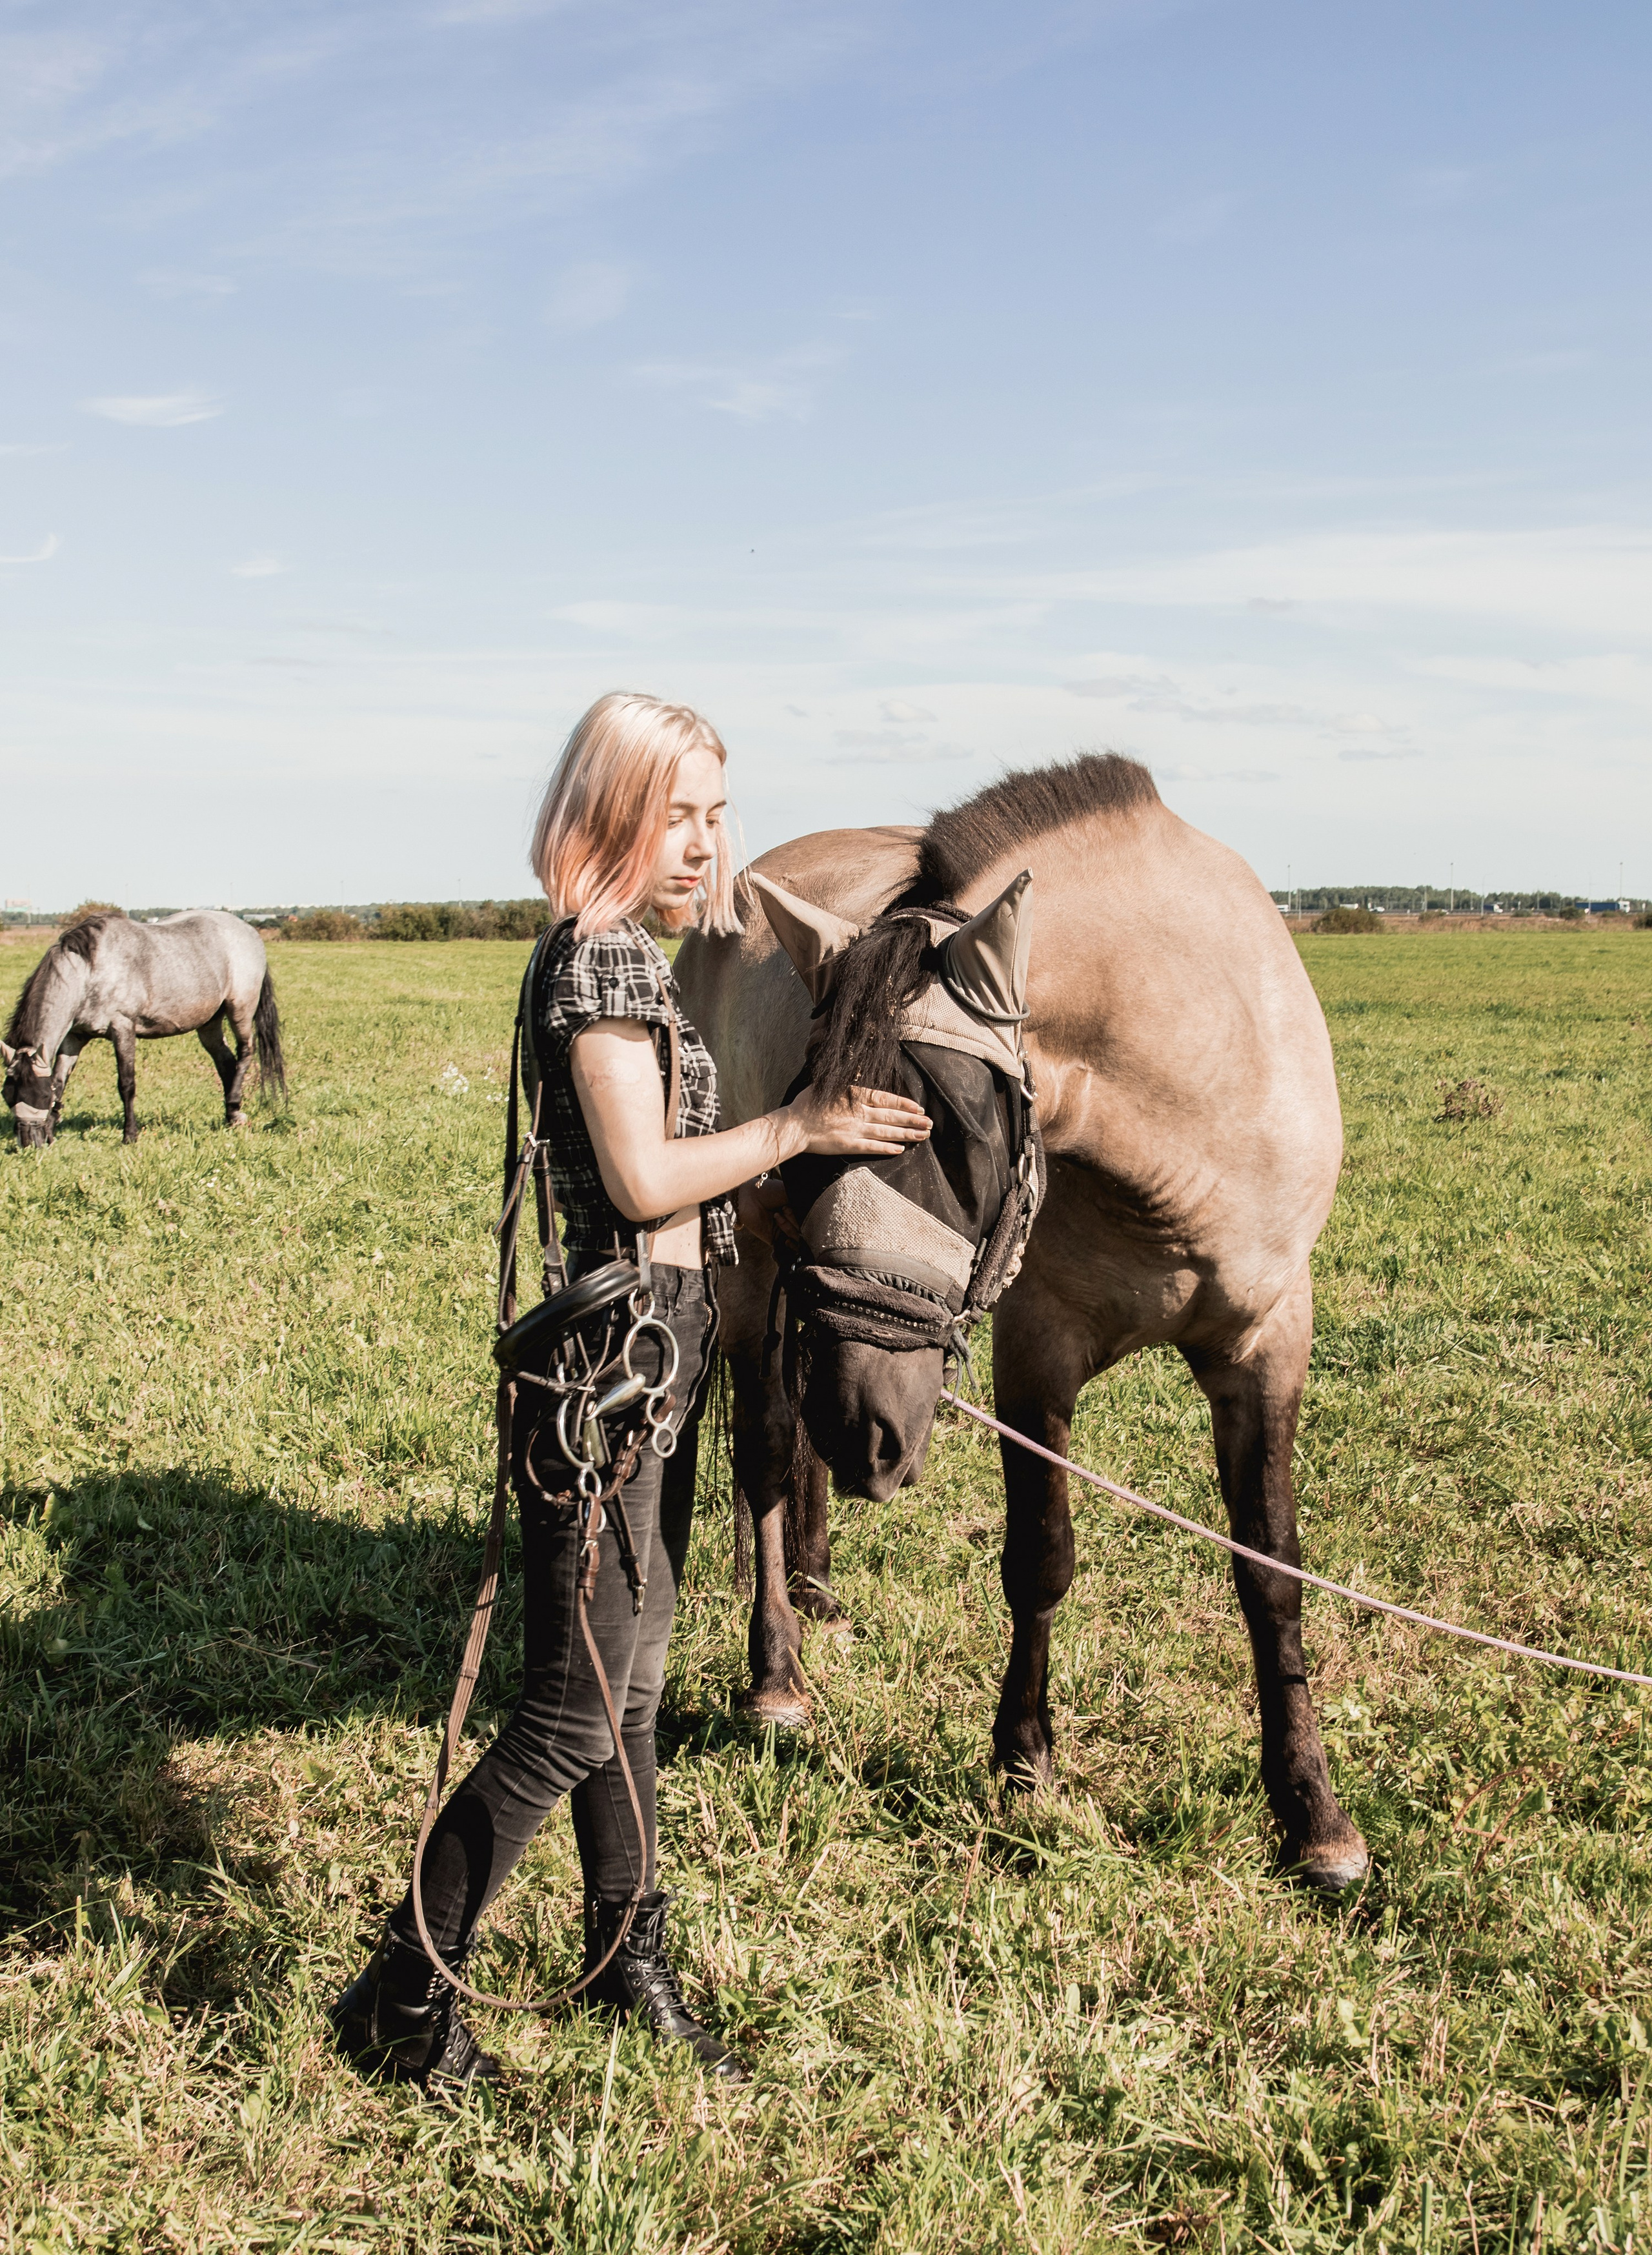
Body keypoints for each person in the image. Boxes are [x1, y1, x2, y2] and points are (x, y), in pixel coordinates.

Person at [332, 691, 930, 2088]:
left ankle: (623, 1954)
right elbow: (643, 1181)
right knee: (568, 1710)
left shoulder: (630, 965)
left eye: (717, 814)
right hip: (606, 1377)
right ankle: (402, 1994)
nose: (703, 842)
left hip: (652, 1359)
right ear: (609, 813)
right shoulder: (598, 966)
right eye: (679, 814)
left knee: (636, 1682)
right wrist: (797, 1126)